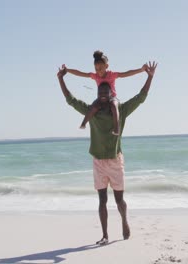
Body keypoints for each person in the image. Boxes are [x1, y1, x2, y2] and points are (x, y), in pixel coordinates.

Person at [57, 61, 158, 245]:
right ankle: (105, 235)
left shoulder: (121, 110)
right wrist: (61, 80)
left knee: (119, 200)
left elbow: (141, 97)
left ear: (111, 94)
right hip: (98, 162)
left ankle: (124, 221)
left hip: (115, 161)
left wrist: (149, 77)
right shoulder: (92, 111)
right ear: (97, 96)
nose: (103, 96)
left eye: (106, 93)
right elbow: (70, 100)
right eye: (100, 94)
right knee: (102, 200)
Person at [64, 50, 147, 135]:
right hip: (101, 99)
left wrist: (141, 70)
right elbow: (81, 73)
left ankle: (116, 129)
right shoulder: (95, 76)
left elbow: (125, 74)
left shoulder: (111, 75)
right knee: (93, 107)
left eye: (100, 68)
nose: (98, 71)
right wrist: (67, 70)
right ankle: (84, 123)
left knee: (114, 107)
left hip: (112, 98)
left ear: (106, 66)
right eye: (96, 69)